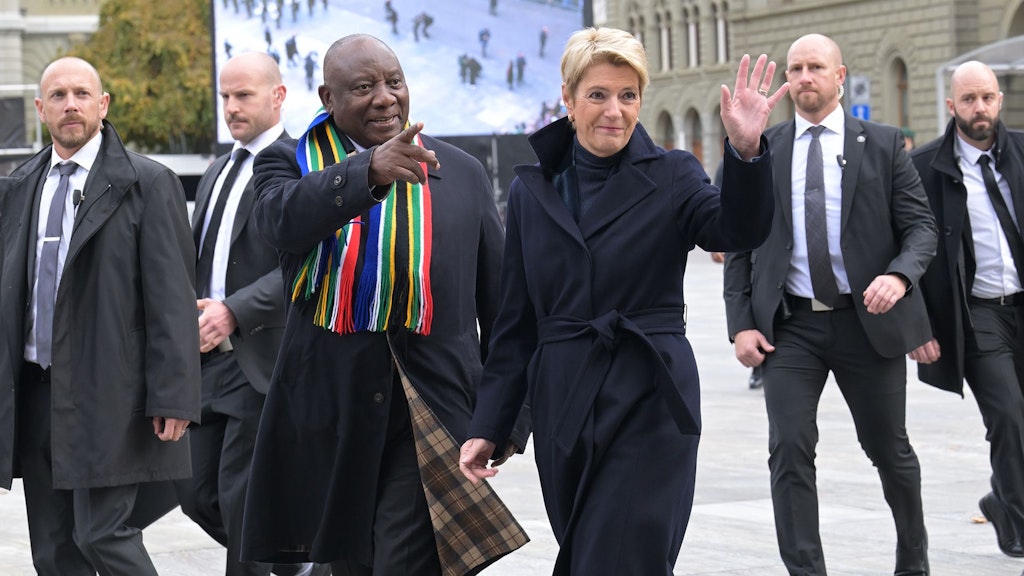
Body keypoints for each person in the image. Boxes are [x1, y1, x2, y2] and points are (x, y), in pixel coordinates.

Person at [459, 27, 785, 575]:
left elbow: (737, 230)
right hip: (563, 401)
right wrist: (490, 424)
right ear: (568, 99)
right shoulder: (531, 191)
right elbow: (515, 324)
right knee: (590, 552)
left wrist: (746, 152)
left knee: (620, 557)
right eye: (598, 94)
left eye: (628, 95)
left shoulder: (674, 174)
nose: (615, 110)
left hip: (651, 394)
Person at [240, 34, 527, 575]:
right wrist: (367, 171)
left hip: (433, 415)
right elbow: (281, 223)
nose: (385, 98)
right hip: (332, 421)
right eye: (364, 87)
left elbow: (505, 309)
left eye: (394, 82)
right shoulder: (289, 163)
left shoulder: (460, 172)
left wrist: (508, 416)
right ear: (328, 98)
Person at [723, 33, 936, 576]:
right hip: (791, 326)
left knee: (889, 450)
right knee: (789, 448)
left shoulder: (883, 144)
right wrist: (741, 324)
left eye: (816, 67)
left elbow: (921, 228)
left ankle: (913, 559)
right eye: (795, 68)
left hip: (867, 322)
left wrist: (899, 276)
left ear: (840, 76)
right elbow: (740, 242)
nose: (804, 77)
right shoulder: (765, 148)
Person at [0, 56, 200, 576]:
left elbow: (173, 299)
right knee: (52, 549)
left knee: (102, 535)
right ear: (40, 108)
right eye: (59, 96)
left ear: (103, 104)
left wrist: (174, 394)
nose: (71, 105)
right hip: (37, 392)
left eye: (82, 94)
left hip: (111, 393)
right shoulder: (20, 186)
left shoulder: (147, 183)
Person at [173, 52, 323, 576]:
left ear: (278, 96)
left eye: (243, 96)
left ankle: (285, 558)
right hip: (204, 360)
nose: (231, 108)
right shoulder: (218, 168)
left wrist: (234, 311)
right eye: (225, 97)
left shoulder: (300, 165)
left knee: (241, 498)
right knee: (194, 493)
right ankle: (294, 558)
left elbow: (310, 263)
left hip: (261, 358)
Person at [908, 60, 1024, 559]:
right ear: (951, 105)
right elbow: (903, 247)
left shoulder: (1021, 152)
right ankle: (1017, 519)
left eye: (988, 98)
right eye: (970, 99)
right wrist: (915, 327)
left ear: (1000, 100)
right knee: (1008, 415)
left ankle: (1001, 498)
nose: (980, 108)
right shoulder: (923, 167)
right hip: (975, 313)